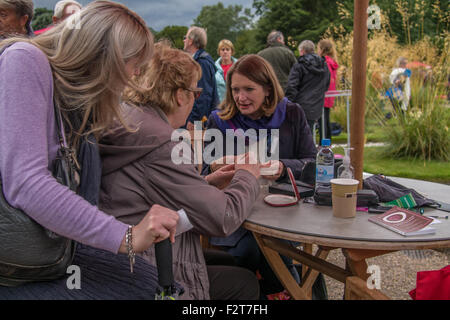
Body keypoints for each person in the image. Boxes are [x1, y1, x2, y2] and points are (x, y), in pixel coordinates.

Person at [0, 1, 180, 299]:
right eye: (134, 64)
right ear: (105, 55)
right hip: (13, 261)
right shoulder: (24, 59)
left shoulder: (66, 96)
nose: (135, 76)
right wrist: (126, 236)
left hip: (42, 250)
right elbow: (27, 184)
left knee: (143, 280)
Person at [98, 42, 261, 300]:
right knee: (245, 282)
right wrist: (247, 175)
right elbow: (224, 218)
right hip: (145, 268)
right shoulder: (163, 142)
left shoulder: (132, 120)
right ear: (179, 96)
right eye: (195, 93)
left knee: (232, 261)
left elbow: (153, 187)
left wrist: (207, 182)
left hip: (121, 256)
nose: (196, 99)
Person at [202, 54, 320, 298]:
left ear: (268, 89)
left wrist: (282, 167)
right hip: (235, 219)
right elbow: (203, 173)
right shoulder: (219, 121)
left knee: (274, 249)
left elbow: (313, 164)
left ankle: (288, 289)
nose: (240, 97)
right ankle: (290, 290)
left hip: (283, 215)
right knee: (255, 251)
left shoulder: (292, 115)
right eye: (235, 89)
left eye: (248, 89)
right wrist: (219, 167)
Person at [285, 40, 330, 140]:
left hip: (300, 106)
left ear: (302, 51)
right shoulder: (324, 65)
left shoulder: (299, 66)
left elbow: (292, 87)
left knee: (298, 137)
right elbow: (326, 85)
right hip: (316, 106)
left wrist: (286, 104)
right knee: (307, 135)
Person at [183, 26, 219, 130]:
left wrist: (194, 120)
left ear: (191, 41)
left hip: (201, 121)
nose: (184, 40)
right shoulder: (199, 60)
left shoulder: (201, 62)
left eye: (185, 37)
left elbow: (202, 94)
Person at [318, 39, 339, 143]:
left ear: (321, 49)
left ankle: (324, 144)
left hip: (324, 93)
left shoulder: (324, 62)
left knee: (323, 120)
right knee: (325, 119)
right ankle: (327, 142)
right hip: (330, 94)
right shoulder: (332, 61)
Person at [215, 39, 237, 103]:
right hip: (220, 104)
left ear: (232, 52)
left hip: (236, 102)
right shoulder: (213, 68)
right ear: (219, 52)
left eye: (227, 49)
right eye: (222, 49)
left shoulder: (239, 66)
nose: (225, 52)